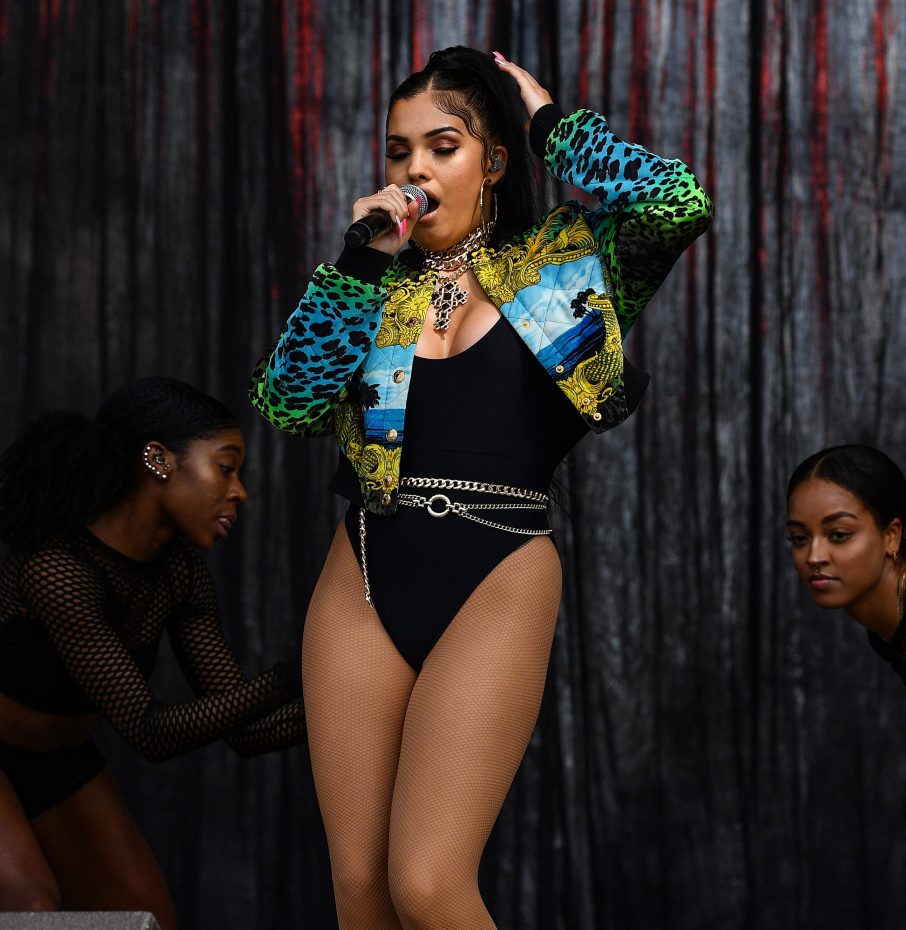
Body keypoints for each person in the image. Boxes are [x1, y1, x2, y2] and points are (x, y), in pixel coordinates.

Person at [251, 46, 711, 929]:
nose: (413, 170)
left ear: (492, 162)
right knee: (360, 890)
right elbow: (287, 401)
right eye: (397, 152)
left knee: (426, 883)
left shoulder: (569, 260)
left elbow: (678, 202)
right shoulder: (371, 282)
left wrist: (555, 129)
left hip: (499, 565)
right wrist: (358, 260)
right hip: (365, 567)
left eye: (442, 145)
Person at [0, 377, 306, 929]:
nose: (241, 493)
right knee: (30, 909)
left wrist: (372, 706)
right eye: (226, 467)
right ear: (158, 460)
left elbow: (244, 728)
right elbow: (151, 732)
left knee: (147, 921)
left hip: (59, 760)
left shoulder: (180, 575)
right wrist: (299, 676)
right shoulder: (58, 569)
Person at [786, 443, 906, 741]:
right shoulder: (886, 624)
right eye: (799, 538)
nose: (813, 556)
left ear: (891, 536)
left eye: (839, 535)